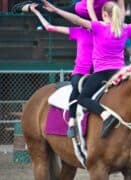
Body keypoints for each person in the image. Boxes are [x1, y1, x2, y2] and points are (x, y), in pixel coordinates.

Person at [41, 0, 131, 137]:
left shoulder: (98, 27)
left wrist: (57, 10)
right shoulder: (124, 29)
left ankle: (105, 115)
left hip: (102, 74)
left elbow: (76, 19)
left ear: (105, 14)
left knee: (82, 98)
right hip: (120, 73)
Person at [29, 3, 93, 138]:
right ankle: (71, 122)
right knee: (76, 88)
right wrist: (37, 13)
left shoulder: (101, 30)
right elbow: (49, 27)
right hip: (81, 72)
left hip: (98, 71)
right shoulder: (78, 31)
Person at [12, 0, 125, 21]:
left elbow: (121, 8)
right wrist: (95, 23)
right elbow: (90, 5)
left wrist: (121, 22)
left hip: (101, 17)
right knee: (53, 12)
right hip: (80, 11)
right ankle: (27, 7)